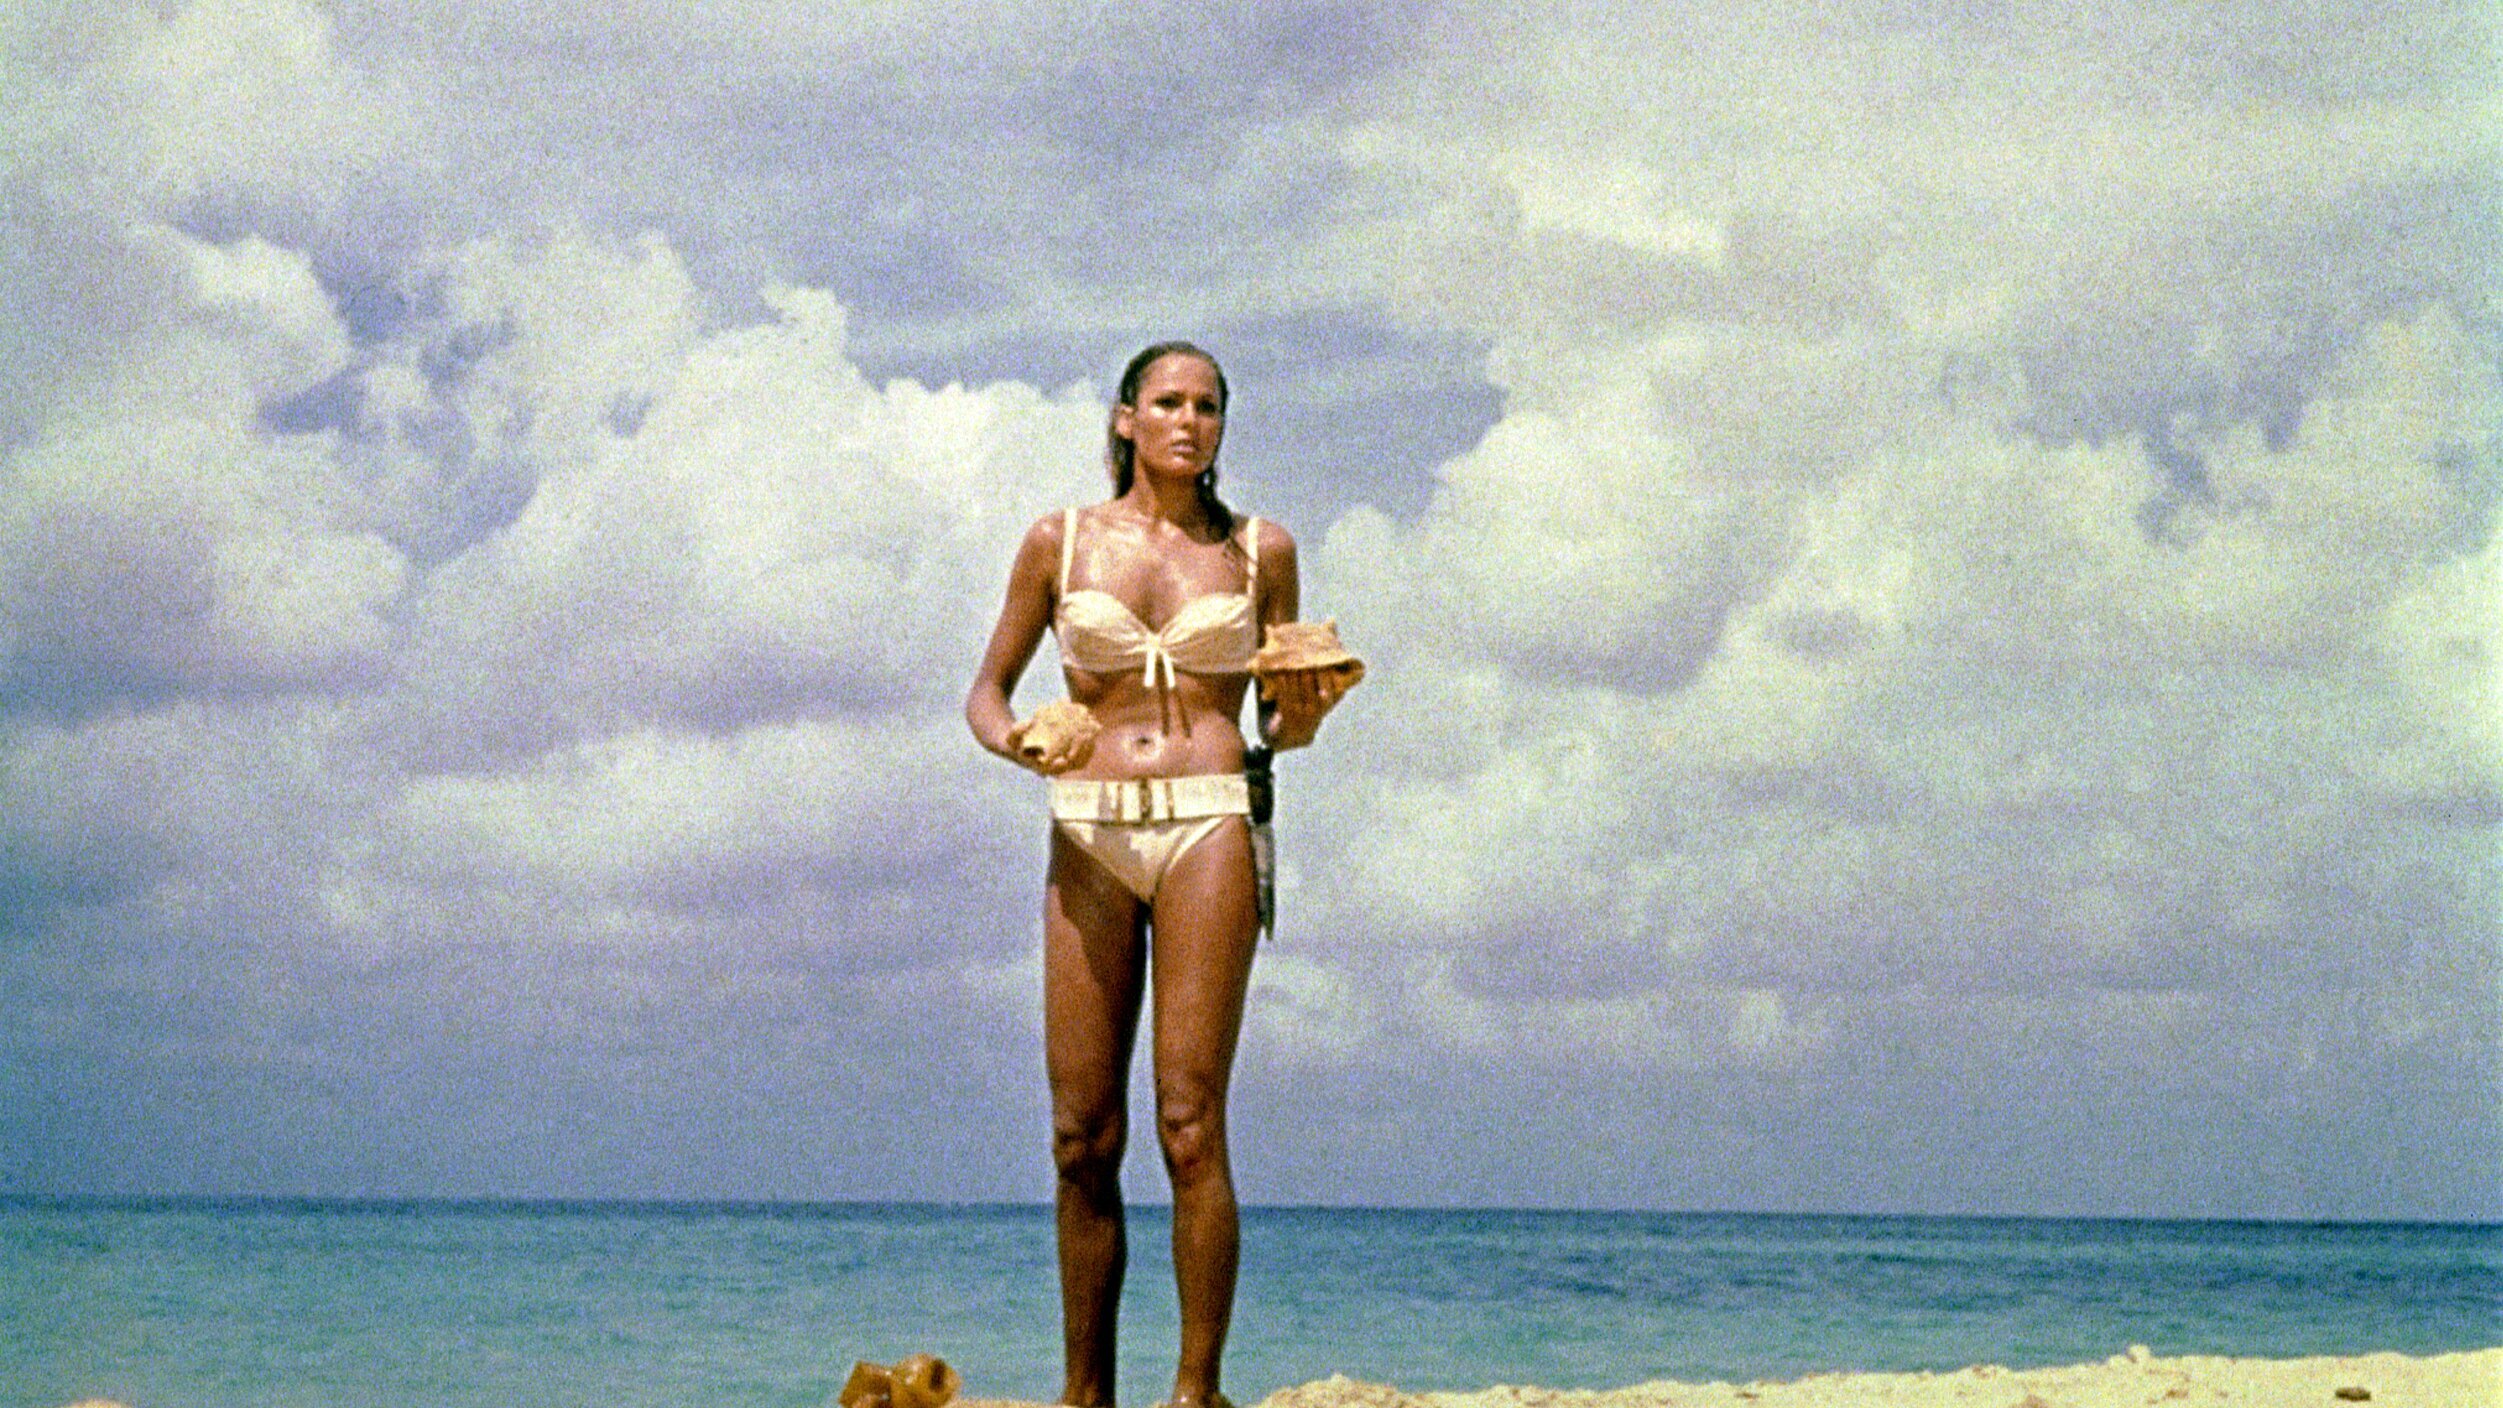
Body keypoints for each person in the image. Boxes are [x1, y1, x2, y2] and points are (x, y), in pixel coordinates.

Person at [966, 342, 1349, 1408]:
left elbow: (1279, 718)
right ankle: (1083, 1393)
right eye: (1169, 402)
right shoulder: (1059, 540)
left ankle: (1194, 1391)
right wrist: (1017, 742)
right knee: (1079, 1136)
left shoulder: (1260, 550)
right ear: (1125, 417)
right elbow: (986, 691)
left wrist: (1306, 716)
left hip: (1209, 824)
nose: (1190, 421)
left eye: (1208, 406)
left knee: (1188, 1120)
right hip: (1085, 828)